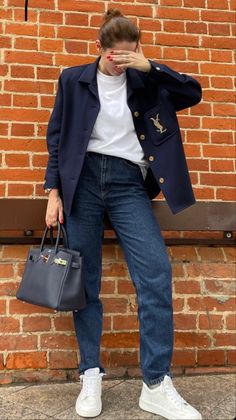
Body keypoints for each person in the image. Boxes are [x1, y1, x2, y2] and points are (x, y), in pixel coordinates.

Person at [44, 8, 202, 420]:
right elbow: (57, 137)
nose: (121, 62)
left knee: (155, 271)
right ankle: (90, 373)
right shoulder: (73, 79)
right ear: (100, 49)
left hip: (129, 182)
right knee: (85, 281)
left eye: (129, 54)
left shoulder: (146, 79)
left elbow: (192, 93)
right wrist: (52, 190)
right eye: (115, 55)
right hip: (81, 182)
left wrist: (150, 66)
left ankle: (155, 383)